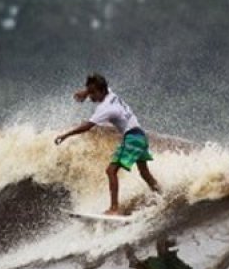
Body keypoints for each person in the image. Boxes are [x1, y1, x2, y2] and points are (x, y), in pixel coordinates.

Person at [55, 73, 161, 215]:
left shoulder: (105, 109)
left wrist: (65, 135)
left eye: (93, 93)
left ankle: (114, 208)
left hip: (132, 138)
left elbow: (86, 127)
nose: (91, 97)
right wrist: (85, 92)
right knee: (144, 173)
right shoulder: (110, 94)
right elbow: (100, 86)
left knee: (111, 171)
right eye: (90, 92)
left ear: (101, 91)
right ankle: (162, 195)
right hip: (140, 136)